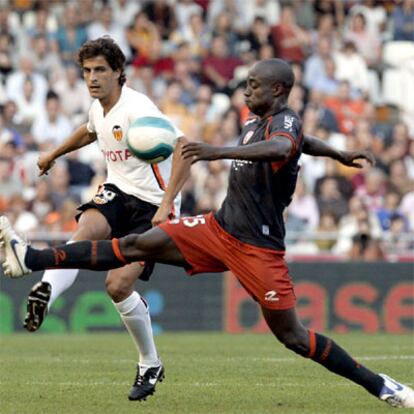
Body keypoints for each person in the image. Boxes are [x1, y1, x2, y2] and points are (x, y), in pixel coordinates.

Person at [1, 58, 413, 409]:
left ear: (279, 89)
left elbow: (284, 147)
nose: (245, 92)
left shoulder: (283, 122)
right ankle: (32, 257)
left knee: (293, 337)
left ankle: (381, 386)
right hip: (218, 228)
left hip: (257, 248)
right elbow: (301, 143)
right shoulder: (262, 120)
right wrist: (337, 152)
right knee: (134, 245)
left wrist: (217, 151)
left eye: (253, 86)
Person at [20, 36, 186, 402]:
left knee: (117, 286)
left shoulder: (139, 109)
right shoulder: (100, 107)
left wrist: (167, 205)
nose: (92, 78)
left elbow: (184, 150)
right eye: (87, 71)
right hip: (119, 191)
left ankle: (150, 363)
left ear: (118, 73)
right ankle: (47, 292)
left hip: (153, 206)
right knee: (83, 231)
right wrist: (53, 154)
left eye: (100, 71)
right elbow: (90, 129)